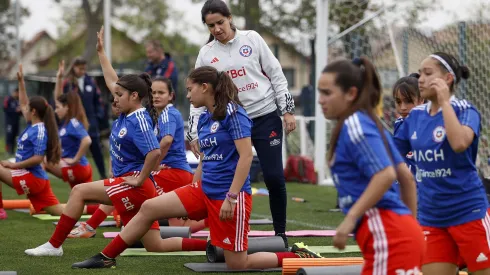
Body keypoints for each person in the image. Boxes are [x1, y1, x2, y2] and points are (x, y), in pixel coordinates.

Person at [71, 65, 319, 269]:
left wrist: (231, 198)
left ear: (205, 87)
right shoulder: (204, 117)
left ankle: (295, 256)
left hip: (229, 196)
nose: (187, 96)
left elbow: (245, 157)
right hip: (203, 189)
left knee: (237, 264)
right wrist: (191, 189)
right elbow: (204, 158)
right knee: (148, 207)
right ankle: (106, 257)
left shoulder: (234, 113)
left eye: (190, 90)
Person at [25, 42, 162, 257]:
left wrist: (138, 178)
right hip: (128, 183)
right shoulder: (128, 113)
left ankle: (54, 246)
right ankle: (211, 247)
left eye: (119, 95)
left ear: (134, 96)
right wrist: (100, 53)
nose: (114, 99)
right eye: (115, 94)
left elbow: (154, 153)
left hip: (136, 186)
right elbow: (111, 81)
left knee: (79, 191)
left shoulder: (139, 118)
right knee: (156, 245)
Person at [187, 0, 296, 243]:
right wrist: (193, 133)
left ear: (230, 17)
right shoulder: (206, 53)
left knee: (274, 177)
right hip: (231, 123)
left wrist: (287, 110)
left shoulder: (252, 39)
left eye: (220, 22)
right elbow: (197, 92)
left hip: (265, 116)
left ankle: (280, 234)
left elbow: (276, 74)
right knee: (222, 177)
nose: (216, 29)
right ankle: (220, 234)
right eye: (210, 25)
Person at [318, 57, 424, 274]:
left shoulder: (356, 125)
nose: (320, 100)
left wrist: (350, 218)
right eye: (320, 92)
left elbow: (386, 175)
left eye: (327, 93)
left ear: (351, 94)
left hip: (389, 235)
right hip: (395, 233)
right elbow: (405, 177)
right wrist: (411, 225)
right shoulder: (368, 123)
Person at [394, 52, 490, 275]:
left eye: (428, 74)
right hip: (432, 217)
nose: (421, 79)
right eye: (420, 74)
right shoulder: (415, 117)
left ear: (447, 79)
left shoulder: (466, 110)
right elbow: (391, 160)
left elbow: (458, 143)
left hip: (468, 212)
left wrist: (444, 102)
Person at [0, 64, 65, 219]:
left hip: (32, 178)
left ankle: (0, 211)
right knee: (60, 211)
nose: (24, 110)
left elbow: (38, 158)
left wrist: (13, 165)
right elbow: (23, 103)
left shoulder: (40, 130)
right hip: (35, 178)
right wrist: (21, 82)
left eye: (28, 109)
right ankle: (95, 210)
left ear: (34, 112)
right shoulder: (32, 125)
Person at [44, 60, 94, 189]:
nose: (55, 110)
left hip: (77, 167)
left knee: (41, 161)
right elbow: (58, 99)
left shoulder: (73, 122)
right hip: (76, 168)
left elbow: (87, 140)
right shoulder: (65, 123)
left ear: (67, 108)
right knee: (87, 203)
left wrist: (75, 159)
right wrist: (59, 78)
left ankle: (41, 195)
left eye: (58, 107)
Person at [63, 57, 107, 179]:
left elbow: (98, 100)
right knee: (75, 150)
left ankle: (103, 175)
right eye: (80, 68)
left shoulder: (91, 82)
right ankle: (75, 175)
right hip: (75, 123)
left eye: (84, 68)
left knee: (96, 149)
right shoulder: (67, 83)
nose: (83, 71)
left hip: (91, 122)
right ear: (74, 67)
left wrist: (98, 116)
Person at [3, 88, 22, 155]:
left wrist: (20, 111)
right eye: (17, 93)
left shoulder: (18, 101)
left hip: (16, 122)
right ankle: (7, 151)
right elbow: (5, 109)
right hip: (9, 122)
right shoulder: (8, 99)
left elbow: (20, 113)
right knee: (9, 136)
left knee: (15, 136)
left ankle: (12, 151)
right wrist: (14, 110)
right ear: (14, 92)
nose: (17, 94)